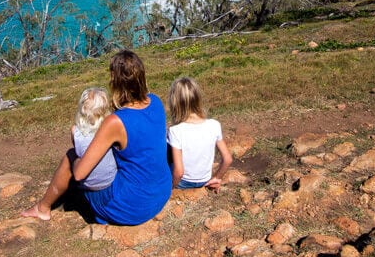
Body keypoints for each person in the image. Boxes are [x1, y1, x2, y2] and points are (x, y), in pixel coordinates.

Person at [22, 50, 172, 225]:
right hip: (161, 192)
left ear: (115, 82)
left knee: (71, 156)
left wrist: (76, 159)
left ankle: (43, 208)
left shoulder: (116, 122)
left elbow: (79, 174)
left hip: (132, 207)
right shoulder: (155, 101)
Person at [167, 77, 232, 191]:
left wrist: (171, 187)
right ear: (197, 99)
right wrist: (217, 178)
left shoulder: (175, 131)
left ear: (175, 103)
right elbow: (227, 159)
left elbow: (179, 171)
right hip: (205, 180)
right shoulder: (214, 125)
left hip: (183, 182)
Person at [72, 87, 117, 191]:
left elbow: (78, 152)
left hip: (87, 184)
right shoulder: (110, 130)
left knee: (73, 156)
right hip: (110, 180)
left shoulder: (75, 131)